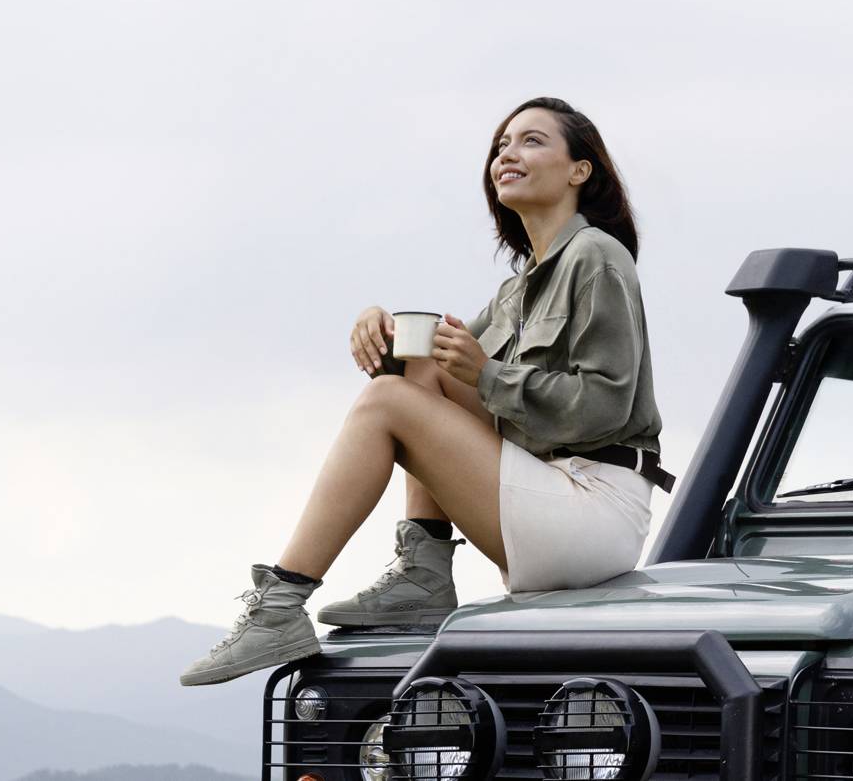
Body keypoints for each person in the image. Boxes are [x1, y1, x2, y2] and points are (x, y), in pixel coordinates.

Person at [178, 96, 671, 686]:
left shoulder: (597, 257)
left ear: (579, 170)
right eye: (502, 145)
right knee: (415, 373)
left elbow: (605, 405)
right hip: (547, 490)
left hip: (595, 505)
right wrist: (378, 328)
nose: (507, 154)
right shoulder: (517, 291)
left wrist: (487, 374)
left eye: (532, 141)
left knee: (391, 401)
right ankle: (424, 573)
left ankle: (280, 603)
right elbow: (434, 372)